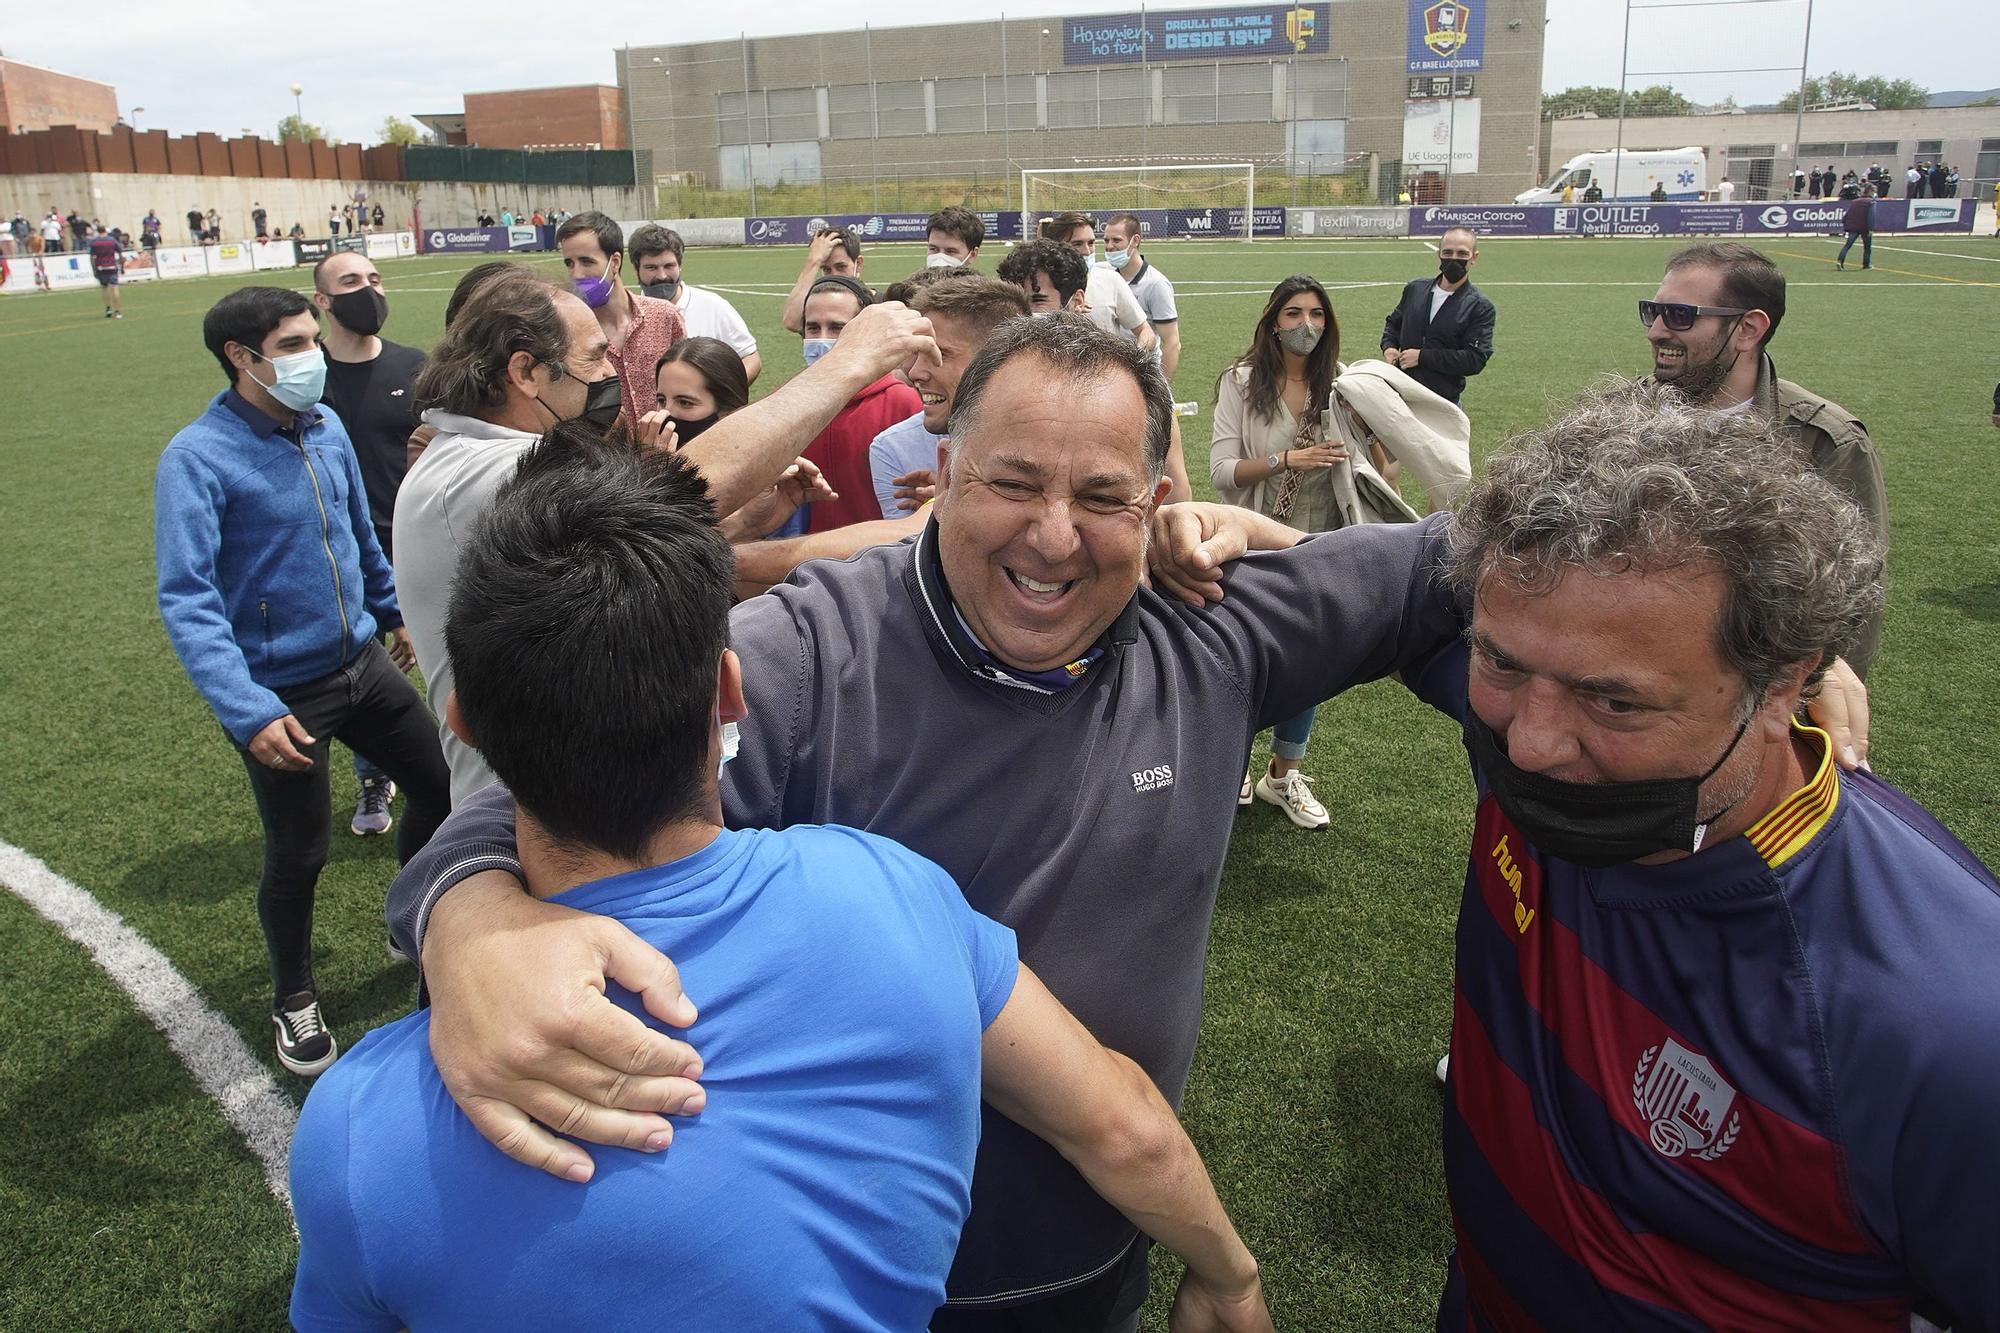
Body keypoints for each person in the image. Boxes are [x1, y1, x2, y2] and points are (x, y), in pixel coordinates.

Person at [380, 313, 1492, 1330]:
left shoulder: (1206, 623)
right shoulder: (811, 657)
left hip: (1098, 1252)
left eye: (1102, 497)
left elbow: (1451, 569)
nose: (1054, 537)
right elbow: (535, 798)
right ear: (945, 475)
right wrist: (474, 924)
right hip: (844, 1276)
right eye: (1012, 484)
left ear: (1156, 502)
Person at [290, 436, 1274, 1333]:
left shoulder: (356, 1129)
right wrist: (1228, 1275)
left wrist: (465, 914)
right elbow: (1123, 1124)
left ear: (460, 724)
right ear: (729, 690)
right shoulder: (890, 896)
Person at [394, 272, 938, 803]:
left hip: (578, 789)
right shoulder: (483, 470)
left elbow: (620, 549)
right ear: (526, 372)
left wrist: (751, 520)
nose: (609, 371)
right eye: (592, 358)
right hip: (537, 809)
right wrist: (850, 362)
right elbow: (673, 489)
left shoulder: (480, 460)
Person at [154, 287, 452, 1076]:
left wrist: (391, 611)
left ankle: (409, 915)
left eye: (310, 339)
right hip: (279, 696)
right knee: (300, 851)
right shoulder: (197, 457)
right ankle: (293, 996)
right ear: (240, 358)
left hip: (362, 661)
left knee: (443, 782)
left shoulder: (324, 427)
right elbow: (186, 596)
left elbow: (357, 528)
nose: (310, 355)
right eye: (291, 344)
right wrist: (247, 707)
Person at [1640, 241, 1886, 676]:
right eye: (1652, 312)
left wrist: (1808, 707)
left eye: (1680, 315)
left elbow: (1852, 599)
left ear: (1749, 329)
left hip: (1743, 690)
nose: (1656, 331)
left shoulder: (1823, 441)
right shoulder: (1620, 413)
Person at [1207, 275, 1347, 830]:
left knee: (1310, 662)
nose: (1305, 325)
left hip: (1321, 542)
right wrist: (1289, 459)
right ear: (1272, 321)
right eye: (1292, 314)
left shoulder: (1342, 384)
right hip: (1256, 541)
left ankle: (1283, 776)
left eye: (1316, 313)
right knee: (1243, 660)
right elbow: (1221, 473)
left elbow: (1377, 469)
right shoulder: (1241, 383)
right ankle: (1231, 767)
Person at [312, 250, 428, 838]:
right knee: (363, 672)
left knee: (439, 658)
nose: (369, 290)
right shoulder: (305, 375)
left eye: (376, 279)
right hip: (340, 555)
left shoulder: (413, 365)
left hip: (412, 541)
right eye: (352, 282)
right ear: (322, 301)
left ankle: (458, 775)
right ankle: (373, 776)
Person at [869, 275, 1029, 518]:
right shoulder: (894, 448)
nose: (915, 372)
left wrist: (953, 505)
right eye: (918, 352)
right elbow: (903, 548)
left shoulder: (1059, 442)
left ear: (999, 360)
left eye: (940, 354)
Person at [795, 274, 920, 532]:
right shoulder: (786, 401)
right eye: (813, 327)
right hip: (798, 566)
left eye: (837, 328)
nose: (822, 338)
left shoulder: (904, 405)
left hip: (878, 564)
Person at [557, 211, 687, 429]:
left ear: (615, 262)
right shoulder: (566, 330)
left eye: (586, 261)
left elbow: (686, 385)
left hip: (666, 453)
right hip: (608, 460)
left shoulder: (665, 316)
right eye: (569, 263)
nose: (576, 274)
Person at [627, 223, 761, 383]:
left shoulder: (714, 306)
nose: (662, 276)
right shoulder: (626, 315)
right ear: (636, 270)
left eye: (669, 266)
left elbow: (751, 358)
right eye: (651, 268)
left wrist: (722, 394)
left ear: (680, 266)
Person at [1380, 225, 1496, 406]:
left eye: (1462, 254)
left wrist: (1422, 357)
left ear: (1474, 258)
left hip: (1442, 402)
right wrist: (1389, 348)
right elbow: (1394, 323)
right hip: (1400, 394)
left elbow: (1475, 359)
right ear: (1439, 254)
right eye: (1448, 253)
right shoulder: (1415, 289)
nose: (1454, 259)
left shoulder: (1480, 306)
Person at [1042, 211, 1158, 356]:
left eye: (1091, 243)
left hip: (1105, 377)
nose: (1087, 251)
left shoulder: (1111, 281)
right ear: (1056, 246)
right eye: (1077, 244)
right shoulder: (1038, 287)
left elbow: (1145, 332)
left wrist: (1135, 356)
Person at [1103, 213, 1181, 381]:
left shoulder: (1156, 284)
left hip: (1141, 375)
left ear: (1135, 241)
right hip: (1108, 373)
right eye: (1106, 240)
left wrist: (1161, 390)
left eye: (1116, 240)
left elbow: (1172, 343)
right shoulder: (1105, 276)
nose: (1109, 246)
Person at [781, 225, 866, 333]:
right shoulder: (818, 307)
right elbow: (791, 322)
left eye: (841, 267)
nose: (834, 276)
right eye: (826, 269)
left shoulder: (878, 303)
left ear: (858, 264)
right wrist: (814, 261)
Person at [86, 224, 123, 319]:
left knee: (104, 288)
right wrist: (122, 266)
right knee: (114, 288)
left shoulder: (94, 242)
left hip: (101, 267)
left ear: (98, 231)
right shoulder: (112, 240)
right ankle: (117, 311)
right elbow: (120, 251)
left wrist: (94, 269)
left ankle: (108, 309)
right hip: (112, 266)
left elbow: (92, 257)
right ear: (105, 231)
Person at [1837, 188, 1874, 271]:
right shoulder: (1871, 202)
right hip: (1864, 227)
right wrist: (1870, 228)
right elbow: (1871, 216)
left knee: (1847, 245)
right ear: (1871, 192)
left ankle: (1840, 261)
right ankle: (1866, 264)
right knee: (1867, 247)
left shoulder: (1855, 201)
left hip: (1853, 226)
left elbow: (1849, 213)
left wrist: (1844, 221)